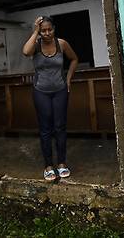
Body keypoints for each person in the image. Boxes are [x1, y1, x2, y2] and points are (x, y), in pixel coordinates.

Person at [22, 16, 78, 181]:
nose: (47, 33)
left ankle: (61, 163)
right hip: (41, 91)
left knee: (60, 126)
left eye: (49, 29)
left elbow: (74, 59)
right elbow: (26, 52)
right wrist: (35, 31)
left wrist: (68, 79)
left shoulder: (62, 44)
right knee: (46, 129)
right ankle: (48, 166)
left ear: (54, 29)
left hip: (60, 90)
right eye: (43, 30)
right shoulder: (36, 45)